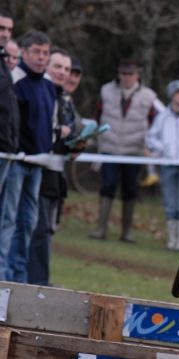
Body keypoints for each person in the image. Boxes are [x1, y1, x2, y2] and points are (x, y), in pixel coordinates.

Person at [0, 31, 56, 283]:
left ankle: (19, 278)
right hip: (16, 162)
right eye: (36, 52)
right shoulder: (15, 80)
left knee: (28, 224)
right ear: (24, 52)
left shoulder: (48, 85)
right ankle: (4, 275)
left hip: (38, 164)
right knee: (8, 220)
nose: (41, 58)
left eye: (45, 53)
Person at [89, 58, 158, 242]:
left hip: (134, 151)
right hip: (109, 148)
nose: (127, 77)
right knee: (107, 186)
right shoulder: (106, 91)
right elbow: (97, 117)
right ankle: (101, 228)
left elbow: (155, 124)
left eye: (130, 74)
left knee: (130, 190)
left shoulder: (149, 96)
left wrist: (149, 145)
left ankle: (126, 232)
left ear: (137, 75)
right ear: (118, 74)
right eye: (123, 74)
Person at [27, 48, 75, 286]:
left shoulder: (64, 98)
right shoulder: (42, 91)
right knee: (37, 229)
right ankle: (36, 282)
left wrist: (75, 142)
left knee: (45, 230)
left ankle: (38, 280)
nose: (63, 72)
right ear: (47, 66)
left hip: (55, 174)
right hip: (36, 168)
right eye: (58, 66)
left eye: (66, 69)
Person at [146, 80, 179, 252]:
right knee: (170, 203)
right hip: (168, 165)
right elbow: (151, 138)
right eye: (178, 93)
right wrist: (164, 149)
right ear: (171, 95)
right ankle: (172, 239)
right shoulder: (162, 117)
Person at [0, 8, 18, 199]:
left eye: (9, 29)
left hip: (5, 149)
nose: (5, 33)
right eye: (1, 28)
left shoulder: (4, 64)